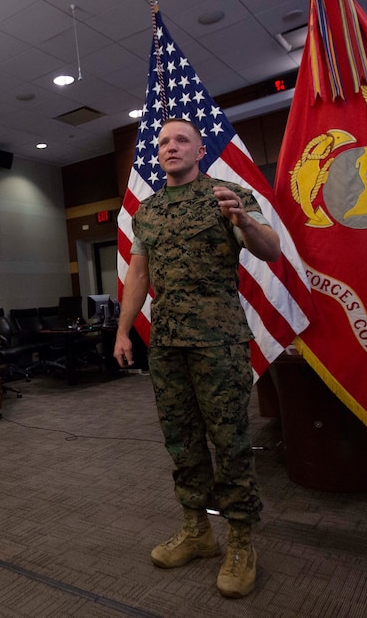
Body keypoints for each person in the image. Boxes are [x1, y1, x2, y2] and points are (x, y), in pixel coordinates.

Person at [113, 118, 280, 600]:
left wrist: (245, 222)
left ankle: (241, 540)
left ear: (200, 150)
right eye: (164, 141)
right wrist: (123, 331)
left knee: (229, 442)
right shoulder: (147, 211)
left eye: (181, 140)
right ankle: (197, 530)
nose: (171, 147)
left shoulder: (228, 196)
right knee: (182, 441)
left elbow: (271, 251)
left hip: (218, 341)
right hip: (167, 344)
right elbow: (138, 275)